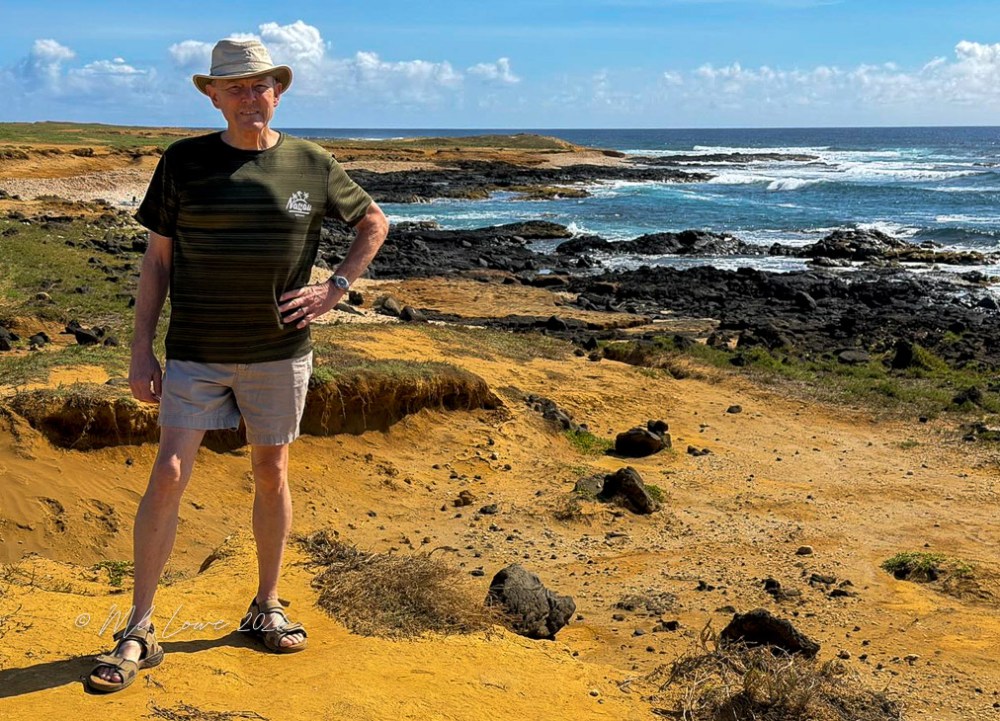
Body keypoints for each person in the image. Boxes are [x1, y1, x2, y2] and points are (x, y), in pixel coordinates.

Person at [87, 38, 389, 693]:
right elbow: (158, 263)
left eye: (261, 85)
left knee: (271, 469)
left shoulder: (310, 162)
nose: (251, 96)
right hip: (196, 348)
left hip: (279, 353)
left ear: (277, 91)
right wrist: (140, 348)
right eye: (237, 87)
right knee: (168, 472)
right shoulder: (184, 163)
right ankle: (138, 625)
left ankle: (266, 604)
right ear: (214, 96)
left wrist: (335, 287)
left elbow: (374, 223)